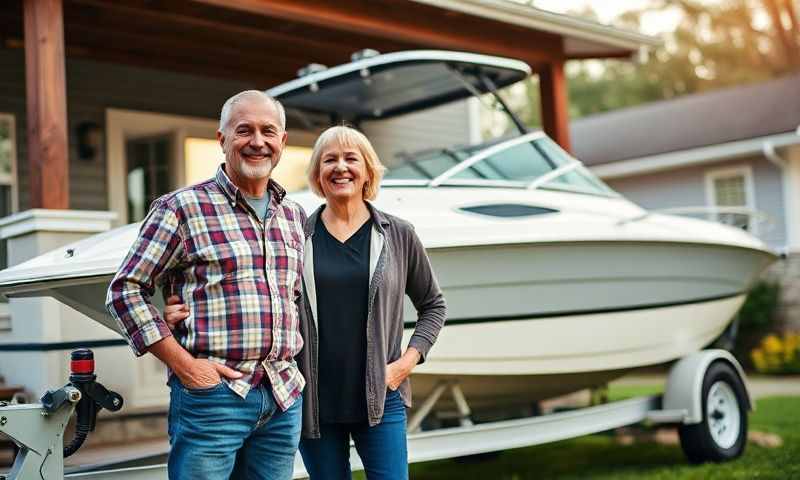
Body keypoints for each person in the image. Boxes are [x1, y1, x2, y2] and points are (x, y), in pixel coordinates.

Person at [165, 125, 447, 479]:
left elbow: (433, 305)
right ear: (317, 174)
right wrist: (178, 307)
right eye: (329, 160)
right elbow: (254, 286)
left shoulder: (398, 234)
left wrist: (406, 363)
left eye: (350, 159)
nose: (340, 167)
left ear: (367, 171)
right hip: (311, 400)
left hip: (381, 395)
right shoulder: (297, 231)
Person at [106, 90, 307, 480]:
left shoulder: (294, 215)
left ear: (282, 141)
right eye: (243, 130)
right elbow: (125, 290)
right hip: (213, 397)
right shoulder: (181, 207)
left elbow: (289, 299)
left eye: (269, 131)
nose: (257, 141)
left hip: (282, 397)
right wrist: (186, 367)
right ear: (222, 140)